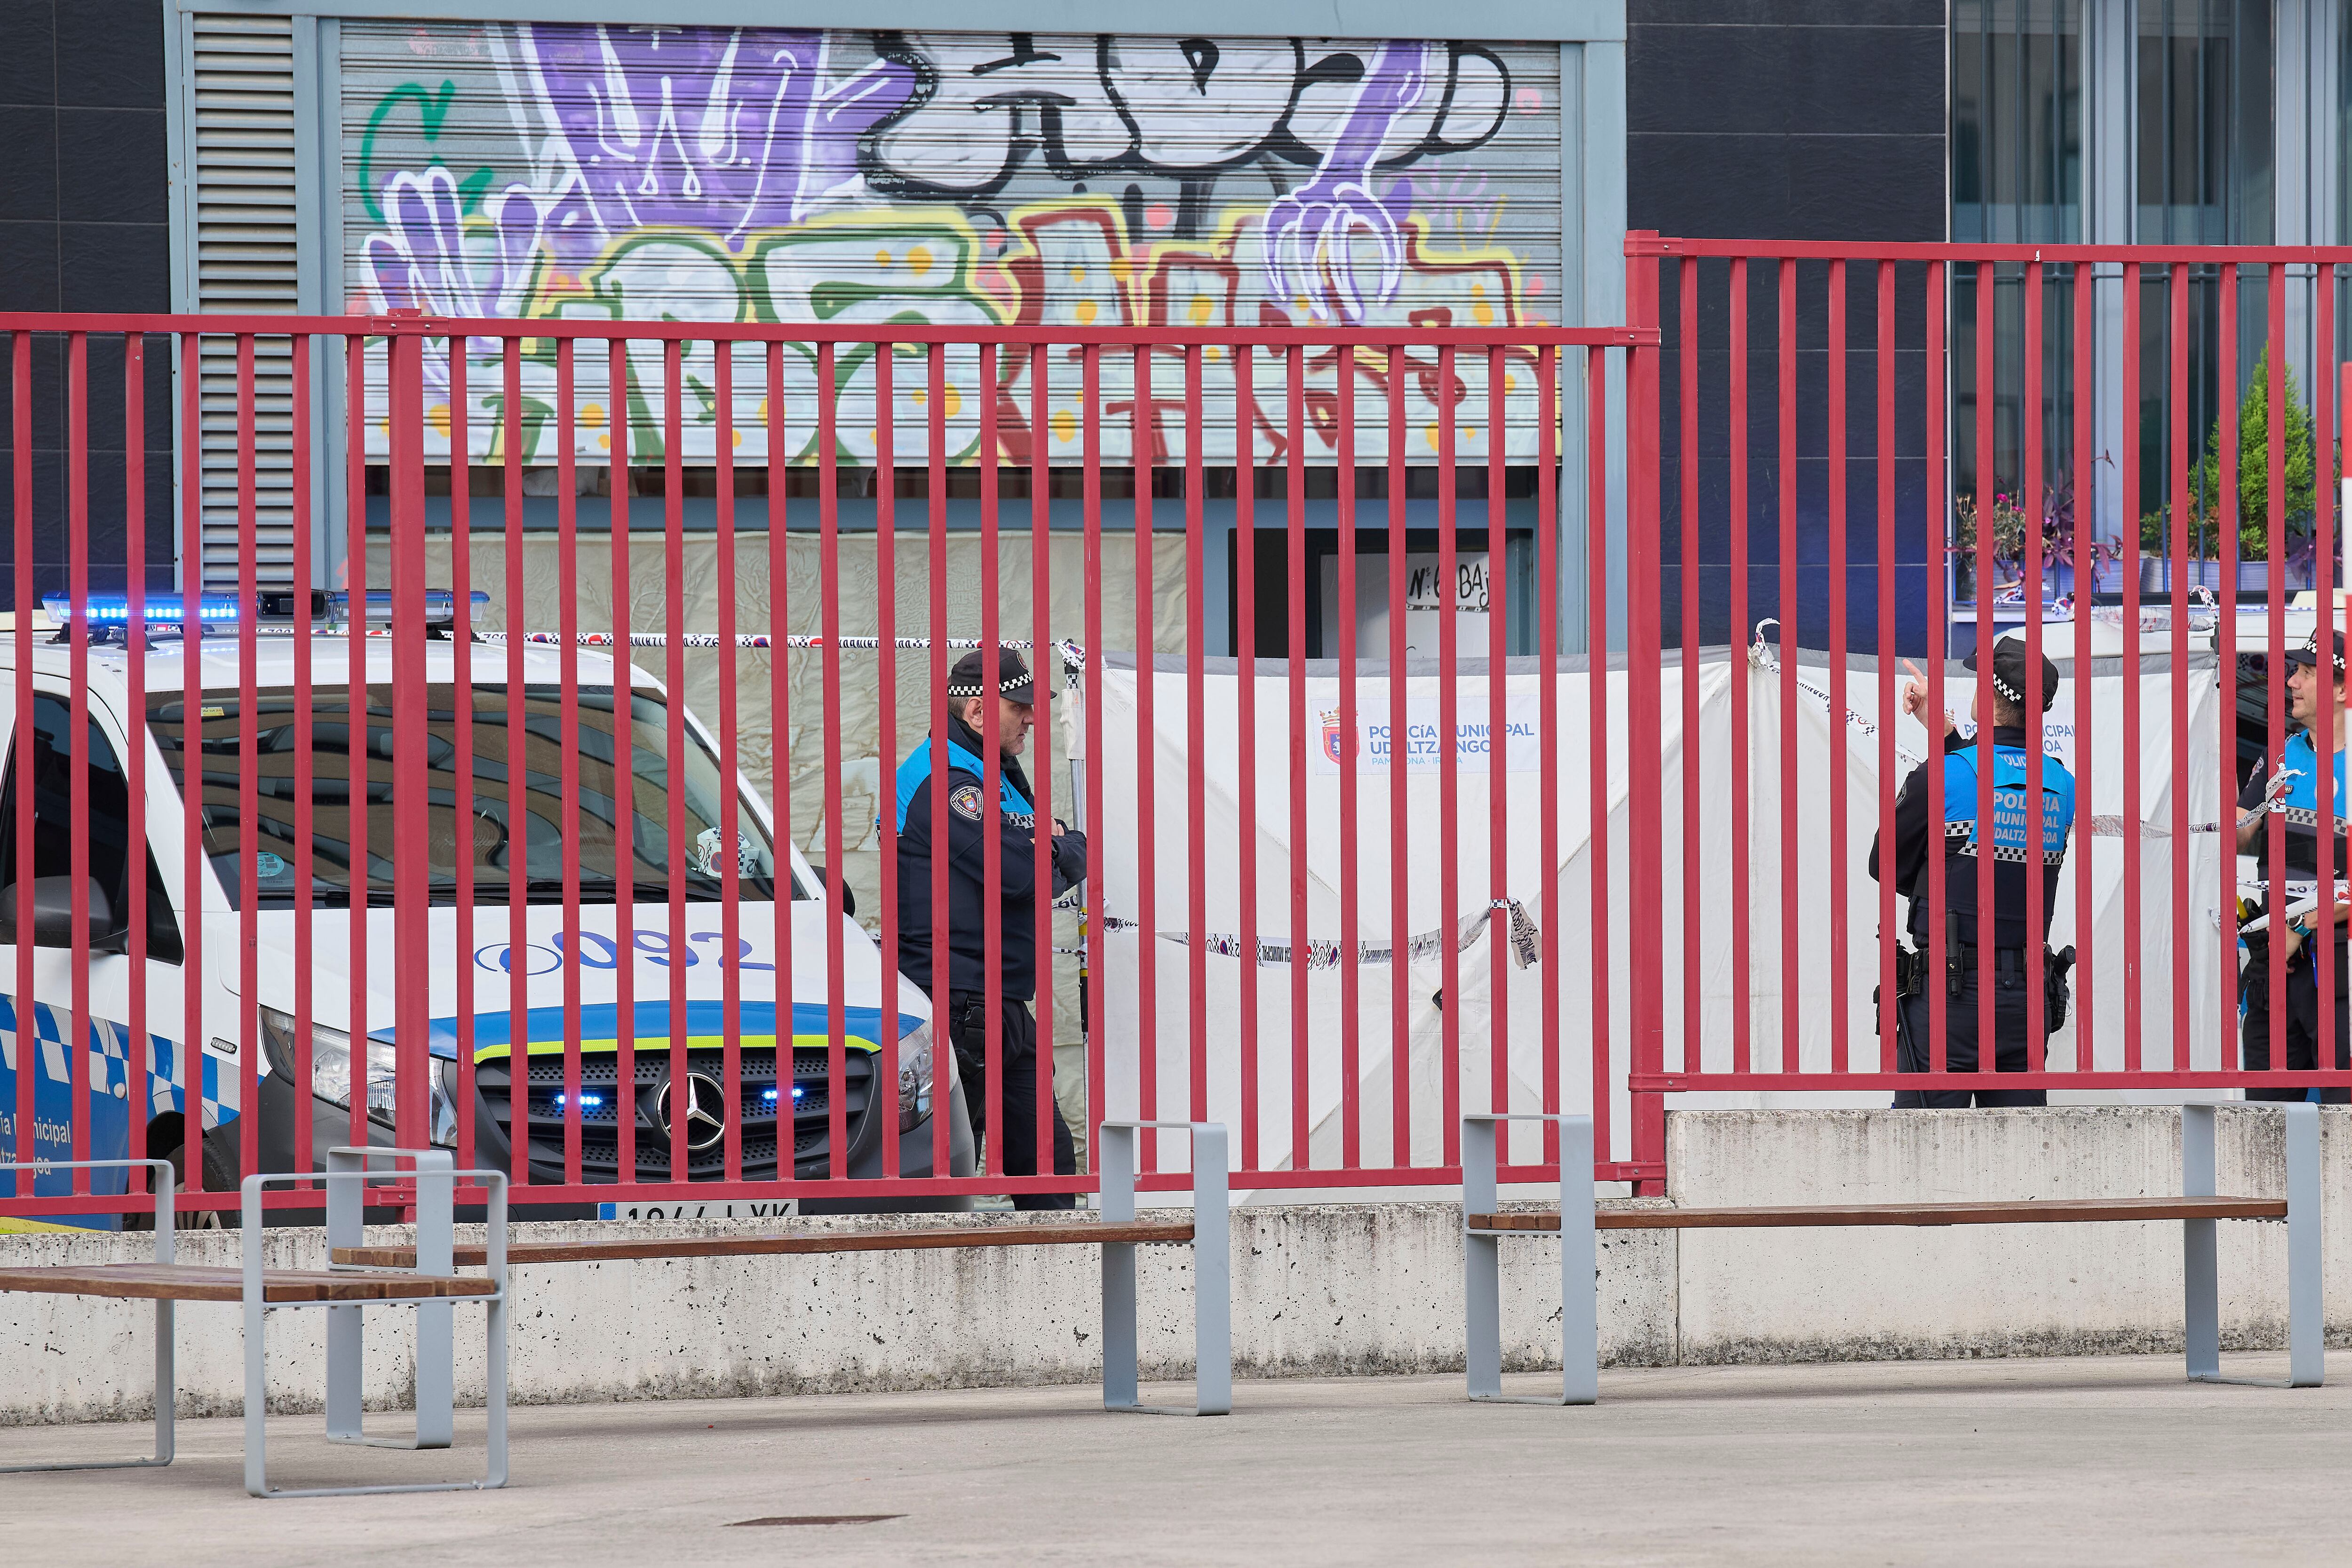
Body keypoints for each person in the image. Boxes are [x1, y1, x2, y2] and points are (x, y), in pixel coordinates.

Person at [893, 648, 1089, 1206]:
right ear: (978, 712)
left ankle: (1064, 1285)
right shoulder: (945, 779)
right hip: (955, 1004)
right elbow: (1021, 872)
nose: (1032, 716)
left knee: (1049, 1172)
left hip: (1000, 1005)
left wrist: (1051, 847)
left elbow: (1051, 857)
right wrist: (1051, 848)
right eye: (1020, 705)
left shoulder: (994, 772)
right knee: (948, 1177)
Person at [1870, 636, 2077, 1107]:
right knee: (2019, 1159)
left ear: (1986, 697)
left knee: (1923, 1156)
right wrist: (1944, 735)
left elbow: (1883, 865)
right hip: (2026, 999)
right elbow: (2003, 774)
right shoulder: (2061, 784)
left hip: (1949, 996)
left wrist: (1945, 749)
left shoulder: (1944, 775)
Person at [2233, 629, 2352, 1104]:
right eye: (2294, 671)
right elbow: (2241, 832)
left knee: (2338, 1119)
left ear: (2342, 689)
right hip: (2270, 964)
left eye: (2306, 673)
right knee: (2264, 1117)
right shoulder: (2279, 755)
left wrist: (2301, 928)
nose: (2290, 683)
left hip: (2335, 961)